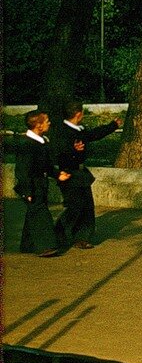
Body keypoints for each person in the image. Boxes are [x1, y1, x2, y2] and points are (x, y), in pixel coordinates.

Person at [51, 101, 122, 249]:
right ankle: (57, 235)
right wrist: (73, 150)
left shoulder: (78, 130)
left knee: (87, 207)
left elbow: (93, 134)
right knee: (74, 207)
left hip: (81, 174)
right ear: (78, 114)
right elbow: (59, 151)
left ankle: (82, 237)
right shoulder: (62, 131)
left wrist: (112, 126)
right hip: (69, 173)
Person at [15, 110, 70, 257]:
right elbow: (22, 170)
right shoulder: (26, 144)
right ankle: (46, 247)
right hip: (32, 185)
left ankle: (28, 245)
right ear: (38, 125)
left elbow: (45, 165)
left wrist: (58, 174)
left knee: (34, 213)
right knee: (41, 215)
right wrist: (27, 191)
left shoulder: (41, 141)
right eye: (46, 121)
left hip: (40, 184)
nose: (49, 123)